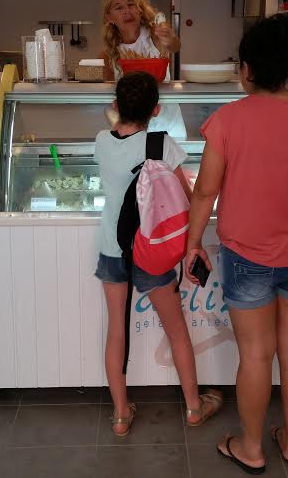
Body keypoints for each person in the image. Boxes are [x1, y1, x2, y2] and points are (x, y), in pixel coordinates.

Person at [184, 14, 288, 473]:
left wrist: (193, 243)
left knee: (255, 354)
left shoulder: (228, 119)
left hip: (247, 256)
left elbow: (205, 191)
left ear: (248, 69)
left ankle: (251, 448)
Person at [95, 71, 222, 437]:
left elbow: (117, 147)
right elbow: (186, 195)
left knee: (116, 330)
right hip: (151, 248)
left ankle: (121, 414)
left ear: (115, 105)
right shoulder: (161, 143)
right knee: (176, 329)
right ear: (157, 109)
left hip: (112, 248)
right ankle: (194, 407)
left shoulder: (102, 140)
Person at [100, 0, 187, 139]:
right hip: (133, 129)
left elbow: (175, 46)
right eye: (118, 8)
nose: (127, 11)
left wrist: (169, 37)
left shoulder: (154, 34)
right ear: (109, 17)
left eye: (131, 4)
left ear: (139, 9)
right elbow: (108, 95)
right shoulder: (109, 53)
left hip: (168, 122)